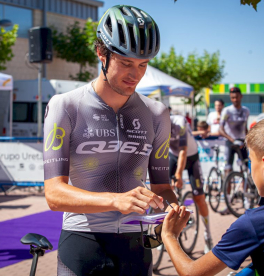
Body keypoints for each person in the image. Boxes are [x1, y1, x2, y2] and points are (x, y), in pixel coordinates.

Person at [43, 5, 177, 275]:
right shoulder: (66, 106)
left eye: (143, 65)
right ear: (101, 54)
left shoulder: (157, 113)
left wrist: (172, 209)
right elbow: (54, 195)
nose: (136, 74)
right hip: (82, 241)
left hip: (136, 244)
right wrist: (114, 200)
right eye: (126, 63)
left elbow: (162, 187)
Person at [161, 114, 264, 276]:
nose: (249, 168)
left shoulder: (256, 221)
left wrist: (169, 235)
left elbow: (191, 273)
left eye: (250, 161)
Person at [169, 115, 213, 254]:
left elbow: (183, 150)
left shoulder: (180, 122)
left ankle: (208, 236)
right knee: (165, 189)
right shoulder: (155, 124)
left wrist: (178, 175)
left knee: (199, 198)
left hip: (191, 157)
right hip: (173, 155)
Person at [219, 87, 250, 174]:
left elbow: (245, 127)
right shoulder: (227, 111)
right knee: (228, 169)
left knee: (245, 169)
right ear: (230, 98)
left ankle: (245, 187)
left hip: (242, 142)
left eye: (237, 97)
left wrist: (248, 139)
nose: (235, 99)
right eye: (233, 98)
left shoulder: (246, 111)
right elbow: (220, 129)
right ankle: (226, 187)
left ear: (241, 96)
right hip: (230, 142)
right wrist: (232, 140)